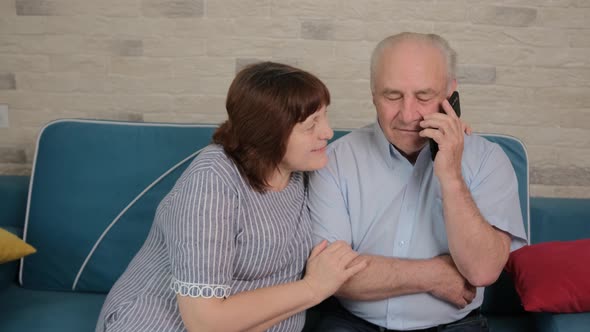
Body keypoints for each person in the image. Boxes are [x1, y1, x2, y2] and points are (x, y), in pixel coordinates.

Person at [96, 62, 366, 332]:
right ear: (267, 134)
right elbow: (205, 322)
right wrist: (313, 288)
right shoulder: (212, 181)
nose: (328, 133)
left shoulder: (301, 172)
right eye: (311, 125)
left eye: (325, 117)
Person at [307, 32, 528, 331]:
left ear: (451, 92)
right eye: (392, 95)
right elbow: (331, 274)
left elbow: (482, 270)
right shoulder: (333, 160)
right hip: (353, 323)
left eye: (424, 96)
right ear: (373, 93)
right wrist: (435, 274)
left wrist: (450, 175)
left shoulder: (489, 160)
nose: (408, 114)